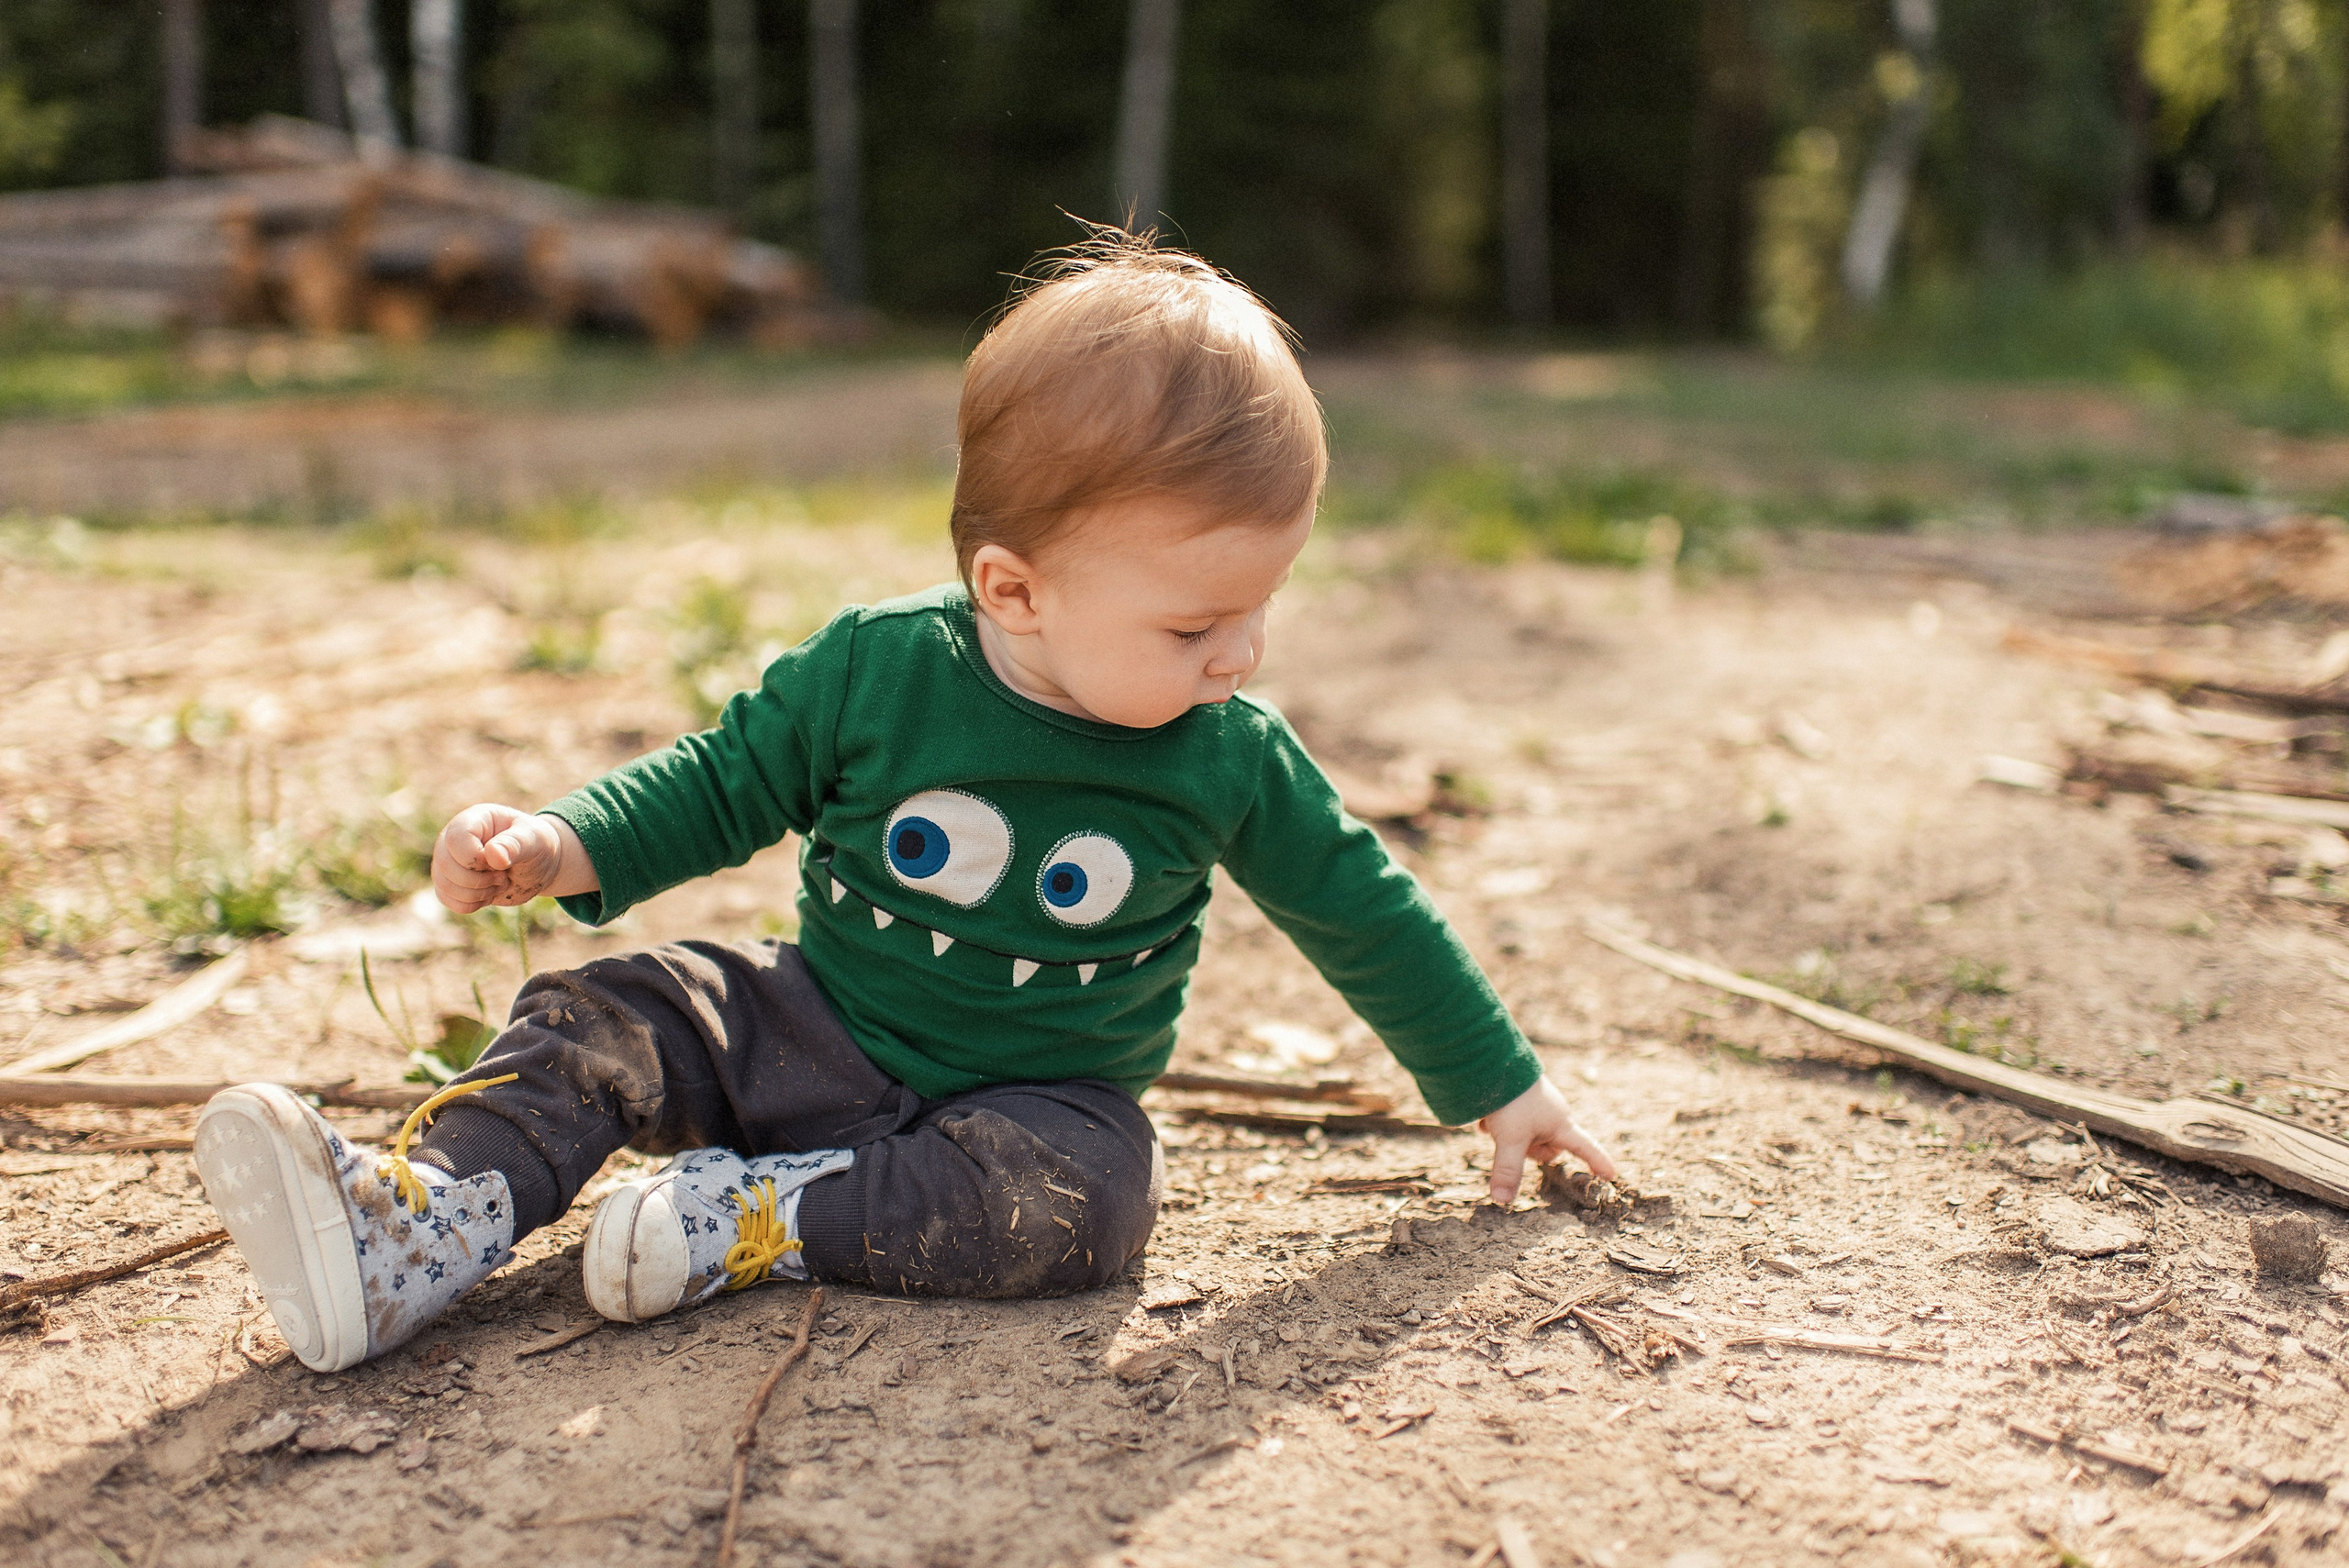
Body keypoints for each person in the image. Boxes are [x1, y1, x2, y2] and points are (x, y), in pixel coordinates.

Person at [194, 230, 1618, 1373]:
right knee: (603, 1013)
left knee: (1094, 1203)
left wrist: (1498, 1083)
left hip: (1032, 1104)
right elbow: (725, 778)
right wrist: (567, 839)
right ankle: (430, 1224)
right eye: (1197, 625)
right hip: (814, 1024)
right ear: (1015, 589)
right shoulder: (880, 670)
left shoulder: (1227, 750)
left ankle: (752, 1220)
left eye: (1263, 608)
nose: (1239, 655)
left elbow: (1364, 912)